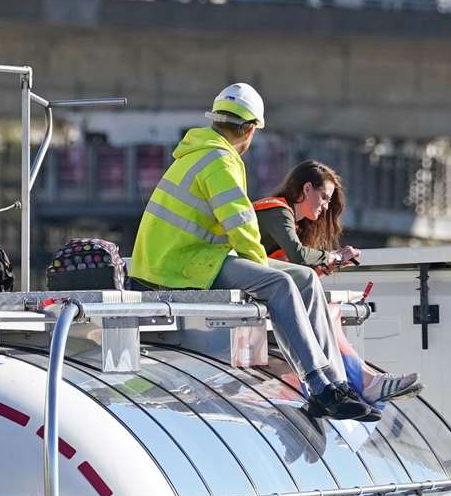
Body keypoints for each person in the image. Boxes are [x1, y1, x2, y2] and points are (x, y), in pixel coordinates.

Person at [130, 83, 377, 421]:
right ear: (248, 130)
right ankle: (318, 385)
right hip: (181, 265)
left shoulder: (202, 152)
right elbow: (240, 222)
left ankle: (335, 382)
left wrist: (260, 264)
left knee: (304, 278)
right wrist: (263, 267)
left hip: (188, 258)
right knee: (280, 285)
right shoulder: (218, 160)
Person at [252, 160, 422, 405]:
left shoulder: (290, 220)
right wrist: (333, 256)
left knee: (330, 313)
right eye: (324, 197)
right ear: (307, 189)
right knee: (329, 315)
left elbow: (290, 270)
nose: (326, 206)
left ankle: (364, 380)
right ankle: (362, 382)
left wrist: (326, 264)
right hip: (255, 284)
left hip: (266, 286)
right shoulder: (277, 212)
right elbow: (297, 257)